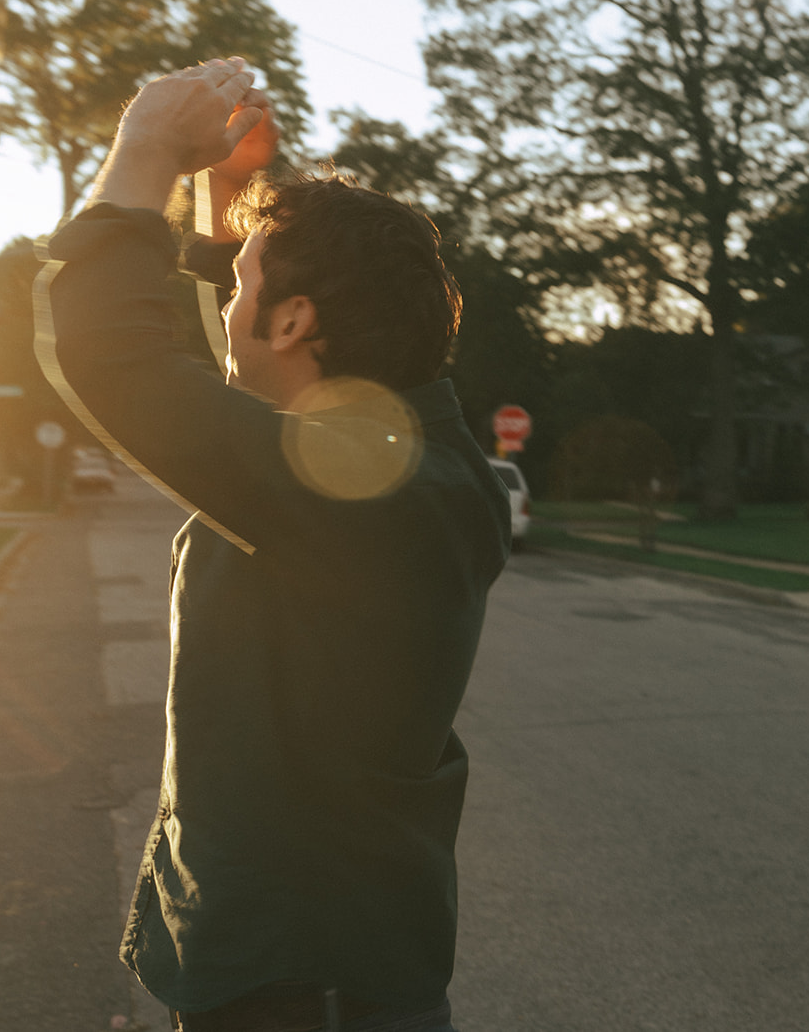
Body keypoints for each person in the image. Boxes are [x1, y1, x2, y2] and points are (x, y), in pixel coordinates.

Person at [37, 58, 510, 1031]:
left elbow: (113, 353)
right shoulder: (390, 458)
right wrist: (226, 213)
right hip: (305, 973)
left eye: (246, 287)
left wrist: (143, 156)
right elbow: (248, 366)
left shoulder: (367, 491)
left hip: (306, 990)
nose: (227, 303)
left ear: (296, 319)